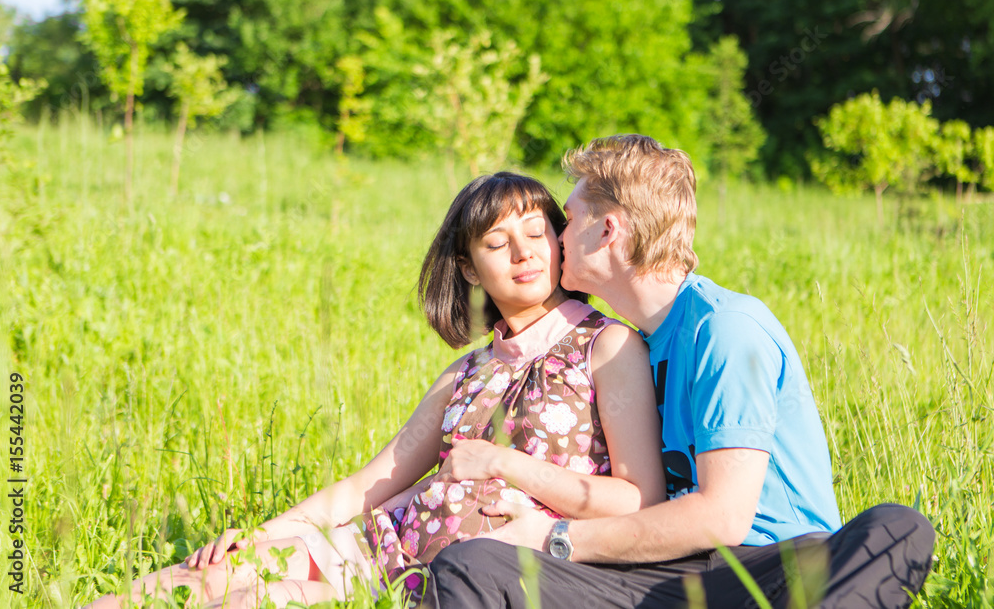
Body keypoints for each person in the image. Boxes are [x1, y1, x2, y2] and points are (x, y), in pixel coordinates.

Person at [85, 172, 664, 608]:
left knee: (257, 600)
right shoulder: (467, 371)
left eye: (537, 232)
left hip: (454, 578)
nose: (523, 252)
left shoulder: (606, 346)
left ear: (560, 240)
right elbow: (370, 484)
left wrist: (503, 463)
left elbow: (638, 500)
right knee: (208, 578)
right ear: (467, 269)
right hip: (380, 541)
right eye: (496, 242)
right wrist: (257, 535)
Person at [426, 135, 935, 608]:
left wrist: (553, 538)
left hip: (768, 568)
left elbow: (723, 517)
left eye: (569, 217)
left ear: (607, 230)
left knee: (897, 528)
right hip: (669, 573)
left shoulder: (725, 329)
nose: (555, 235)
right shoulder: (631, 345)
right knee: (472, 566)